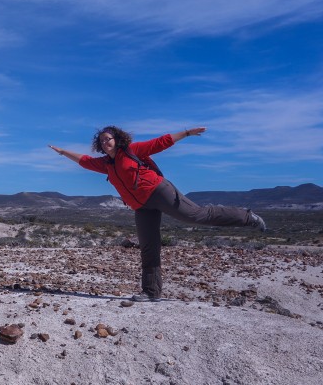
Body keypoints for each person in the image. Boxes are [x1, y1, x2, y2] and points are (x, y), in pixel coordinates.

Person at [49, 125, 266, 302]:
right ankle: (151, 292)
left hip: (158, 191)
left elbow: (161, 143)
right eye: (102, 141)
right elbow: (84, 161)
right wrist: (63, 152)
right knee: (148, 246)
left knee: (196, 216)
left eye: (109, 139)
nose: (105, 143)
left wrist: (187, 133)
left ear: (117, 139)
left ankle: (246, 217)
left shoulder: (132, 151)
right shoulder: (106, 164)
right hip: (141, 207)